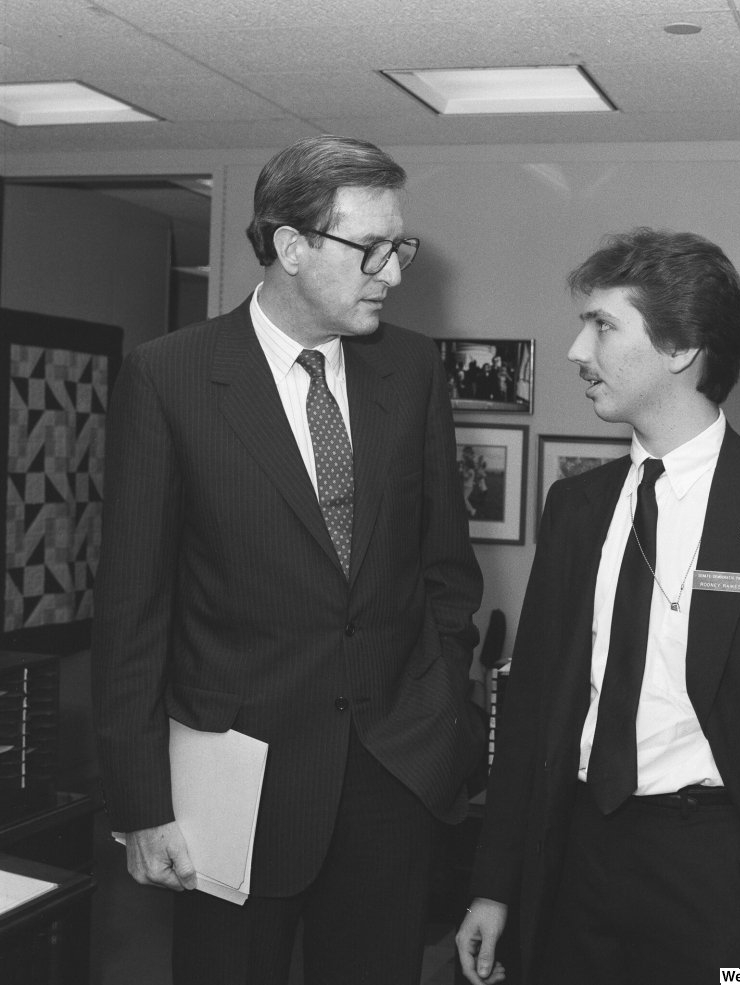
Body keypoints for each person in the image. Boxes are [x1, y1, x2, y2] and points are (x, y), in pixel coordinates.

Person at [92, 135, 484, 985]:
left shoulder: (411, 370)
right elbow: (132, 608)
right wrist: (141, 805)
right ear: (292, 245)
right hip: (235, 784)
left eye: (401, 247)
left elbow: (446, 569)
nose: (393, 270)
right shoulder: (170, 379)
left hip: (393, 772)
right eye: (371, 249)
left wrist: (440, 704)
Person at [457, 229, 740, 984]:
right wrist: (496, 883)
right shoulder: (575, 506)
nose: (575, 351)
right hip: (575, 861)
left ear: (681, 347)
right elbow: (530, 711)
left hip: (720, 868)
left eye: (602, 325)